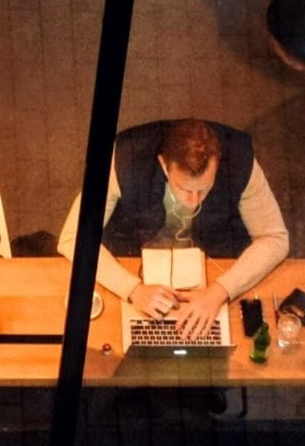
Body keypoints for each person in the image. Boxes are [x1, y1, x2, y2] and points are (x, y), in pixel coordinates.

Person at [58, 118, 288, 338]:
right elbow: (73, 238)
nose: (194, 201)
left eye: (204, 189)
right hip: (137, 253)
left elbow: (275, 239)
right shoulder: (123, 159)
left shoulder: (241, 160)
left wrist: (219, 292)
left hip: (212, 257)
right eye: (185, 188)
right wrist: (133, 290)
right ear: (163, 164)